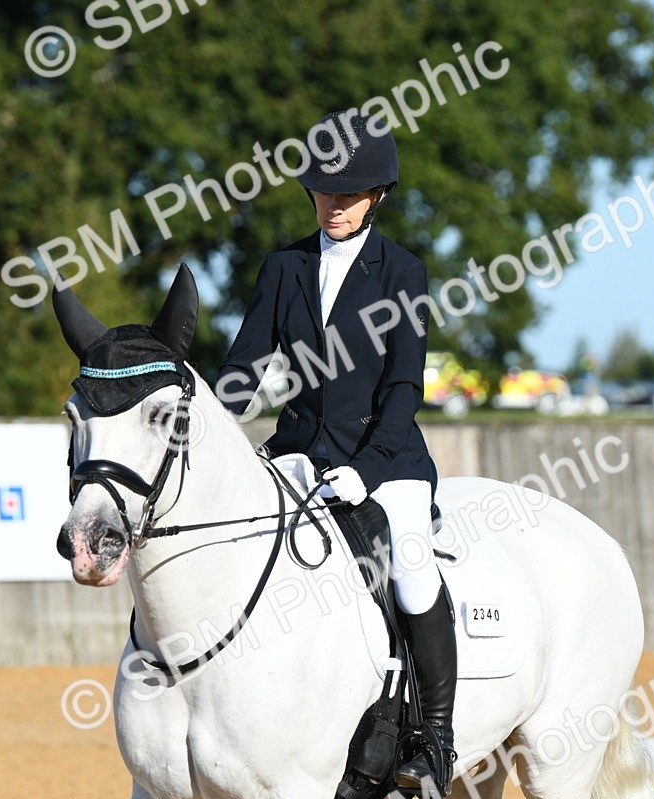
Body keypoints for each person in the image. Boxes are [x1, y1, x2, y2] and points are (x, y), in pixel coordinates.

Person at [214, 110, 457, 795]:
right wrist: (202, 428)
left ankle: (434, 736)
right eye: (325, 193)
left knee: (408, 567)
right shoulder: (285, 266)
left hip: (387, 460)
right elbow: (244, 368)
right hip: (300, 453)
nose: (335, 206)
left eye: (349, 195)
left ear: (376, 196)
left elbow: (405, 386)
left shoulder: (402, 271)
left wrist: (370, 468)